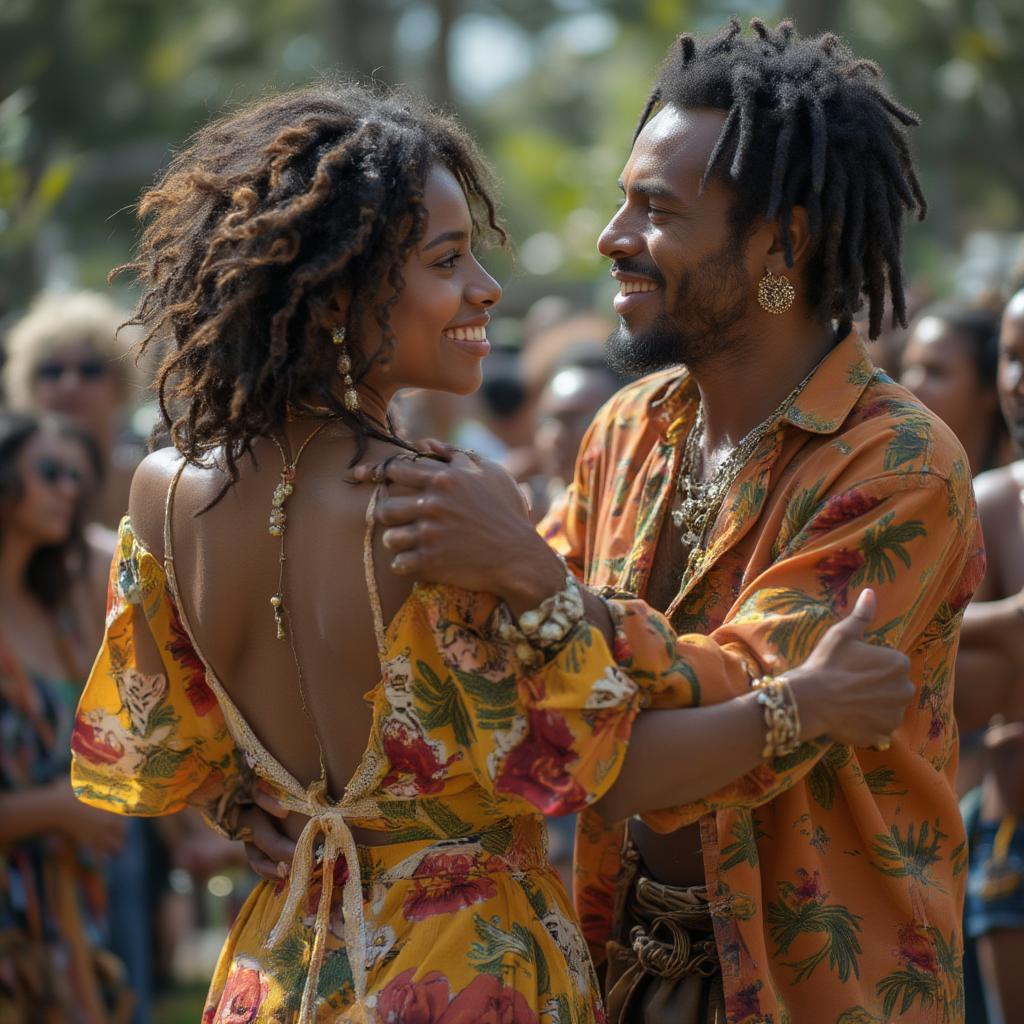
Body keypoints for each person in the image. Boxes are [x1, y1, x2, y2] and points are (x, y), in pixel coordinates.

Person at [68, 82, 912, 1024]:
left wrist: (248, 811)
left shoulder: (167, 489)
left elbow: (167, 742)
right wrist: (804, 707)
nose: (486, 289)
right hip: (461, 969)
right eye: (448, 259)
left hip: (281, 963)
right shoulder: (439, 505)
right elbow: (601, 766)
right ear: (344, 289)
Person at [354, 21, 986, 1024]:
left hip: (818, 990)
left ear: (782, 241)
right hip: (618, 967)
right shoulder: (629, 426)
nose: (611, 234)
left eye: (653, 208)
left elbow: (739, 693)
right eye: (622, 199)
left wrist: (532, 577)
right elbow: (527, 677)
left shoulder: (900, 461)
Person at [0, 411, 131, 1023]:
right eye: (50, 472)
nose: (69, 490)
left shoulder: (52, 608)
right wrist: (55, 809)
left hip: (64, 914)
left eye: (75, 477)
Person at [952, 289, 1024, 1024]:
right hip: (1013, 829)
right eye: (1010, 357)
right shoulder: (994, 503)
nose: (1019, 381)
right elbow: (933, 645)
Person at [3, 290, 144, 534]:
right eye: (52, 371)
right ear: (28, 384)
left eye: (90, 370)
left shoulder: (151, 483)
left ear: (121, 382)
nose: (69, 385)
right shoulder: (8, 490)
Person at [900, 302, 1010, 477]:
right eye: (908, 368)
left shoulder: (1014, 497)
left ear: (989, 390)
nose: (912, 384)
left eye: (935, 372)